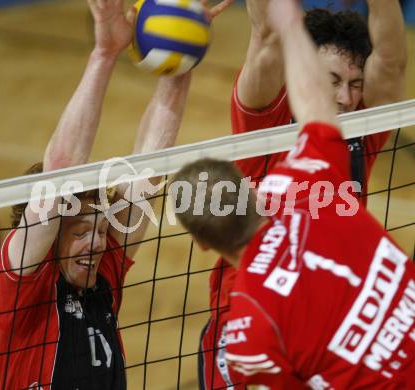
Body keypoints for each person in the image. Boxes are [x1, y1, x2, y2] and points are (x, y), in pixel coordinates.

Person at [0, 0, 230, 388]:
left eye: (100, 230)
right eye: (81, 231)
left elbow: (149, 171)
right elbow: (59, 178)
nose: (97, 244)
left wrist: (181, 64)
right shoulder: (22, 288)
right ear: (49, 238)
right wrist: (104, 53)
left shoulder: (103, 276)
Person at [172, 0, 414, 388]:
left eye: (355, 84)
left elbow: (391, 61)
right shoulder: (266, 117)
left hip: (337, 318)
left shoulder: (360, 127)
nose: (345, 99)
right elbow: (267, 33)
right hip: (251, 315)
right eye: (331, 80)